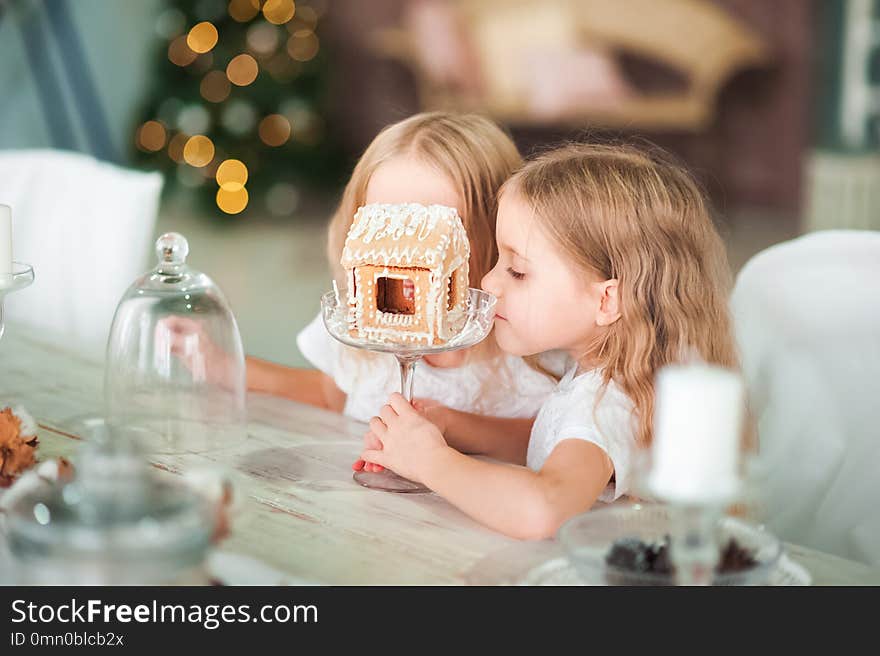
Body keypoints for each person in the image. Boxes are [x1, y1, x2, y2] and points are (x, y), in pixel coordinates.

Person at [360, 143, 741, 539]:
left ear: (607, 300)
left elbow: (544, 510)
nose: (490, 282)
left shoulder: (611, 400)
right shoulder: (606, 374)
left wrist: (431, 462)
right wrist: (458, 427)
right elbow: (558, 441)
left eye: (518, 271)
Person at [248, 113, 559, 471]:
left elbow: (551, 444)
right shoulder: (360, 320)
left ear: (496, 234)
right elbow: (331, 394)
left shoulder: (532, 346)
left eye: (428, 229)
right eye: (383, 226)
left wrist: (454, 427)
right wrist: (225, 363)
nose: (400, 253)